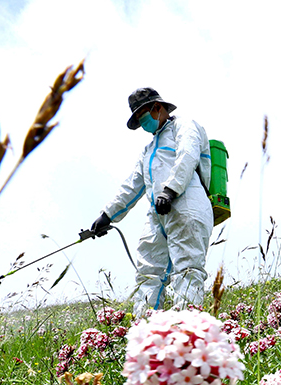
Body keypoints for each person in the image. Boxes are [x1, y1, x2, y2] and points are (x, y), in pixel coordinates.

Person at [90, 88, 214, 317]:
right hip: (157, 212)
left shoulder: (184, 126)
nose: (142, 123)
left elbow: (187, 156)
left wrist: (170, 190)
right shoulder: (149, 150)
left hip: (187, 205)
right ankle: (145, 333)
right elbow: (133, 185)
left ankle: (187, 331)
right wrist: (107, 215)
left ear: (158, 108)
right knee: (148, 272)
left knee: (186, 269)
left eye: (142, 115)